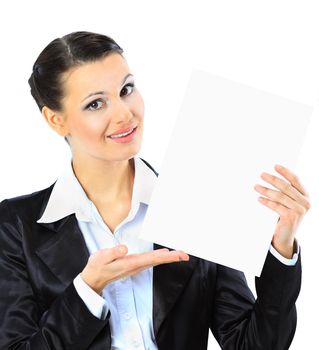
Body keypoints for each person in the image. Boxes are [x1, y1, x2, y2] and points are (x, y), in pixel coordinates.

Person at [0, 31, 310, 350]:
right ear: (56, 120)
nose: (124, 114)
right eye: (95, 104)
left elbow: (251, 344)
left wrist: (280, 247)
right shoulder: (15, 226)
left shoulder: (194, 202)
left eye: (126, 89)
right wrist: (87, 289)